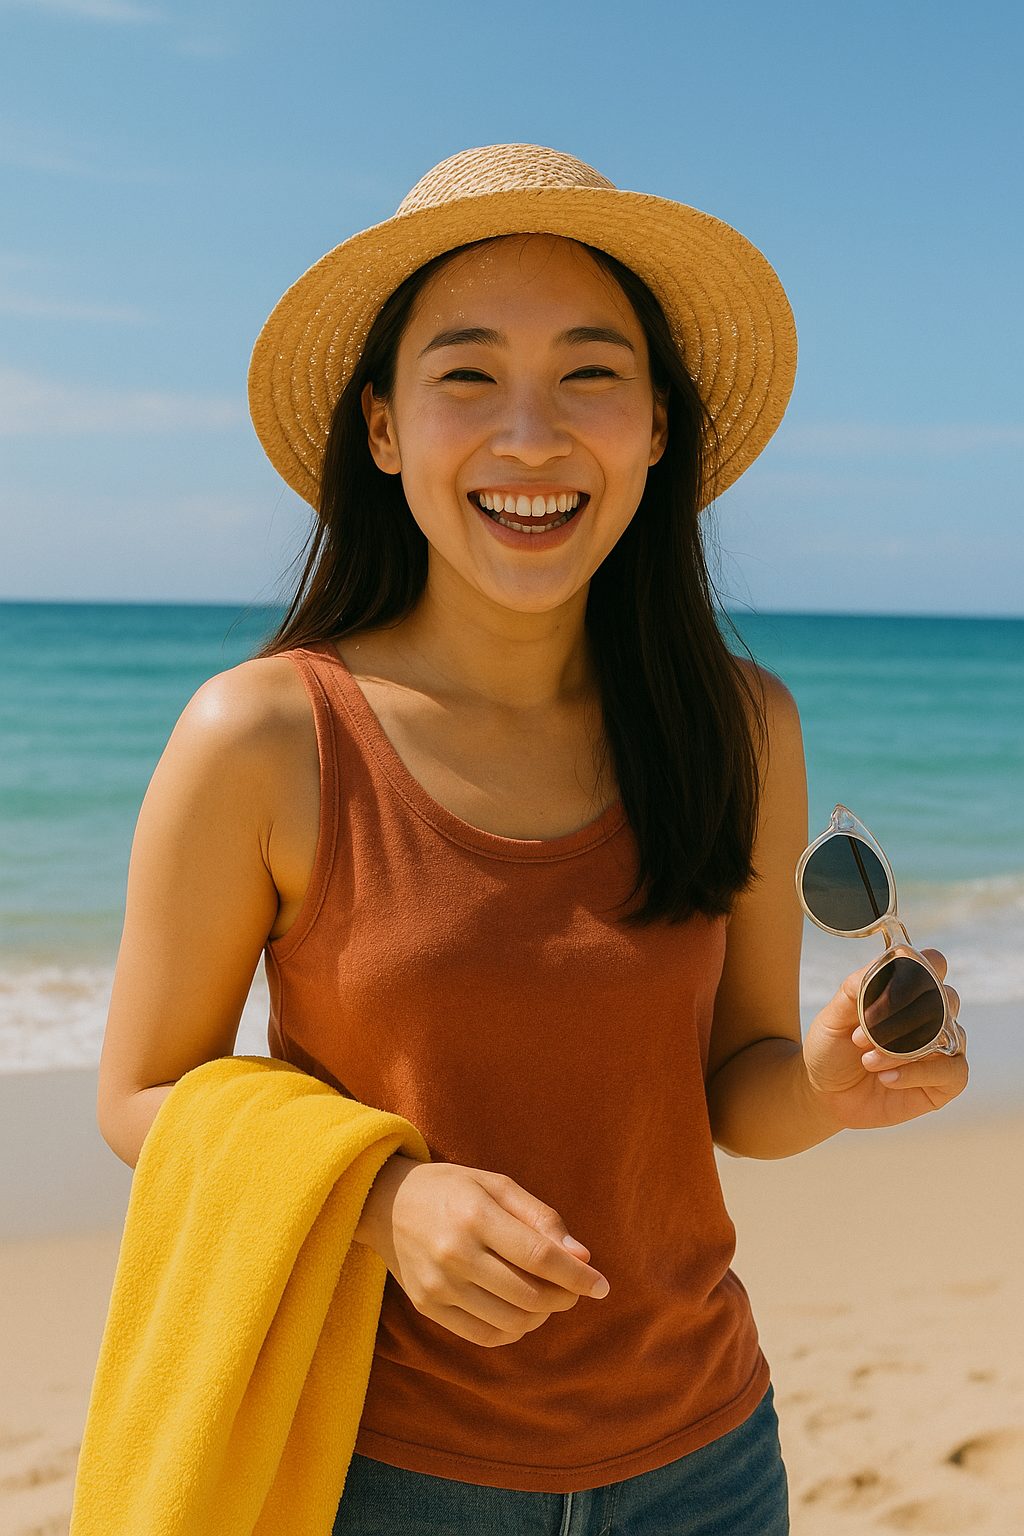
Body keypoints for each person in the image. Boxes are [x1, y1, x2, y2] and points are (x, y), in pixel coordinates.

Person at [97, 144, 969, 1535]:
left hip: (709, 1461)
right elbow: (142, 1091)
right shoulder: (261, 736)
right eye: (465, 376)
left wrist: (829, 1082)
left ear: (659, 428)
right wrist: (385, 1201)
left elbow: (734, 1085)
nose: (531, 435)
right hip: (378, 1471)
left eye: (588, 373)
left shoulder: (741, 728)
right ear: (382, 428)